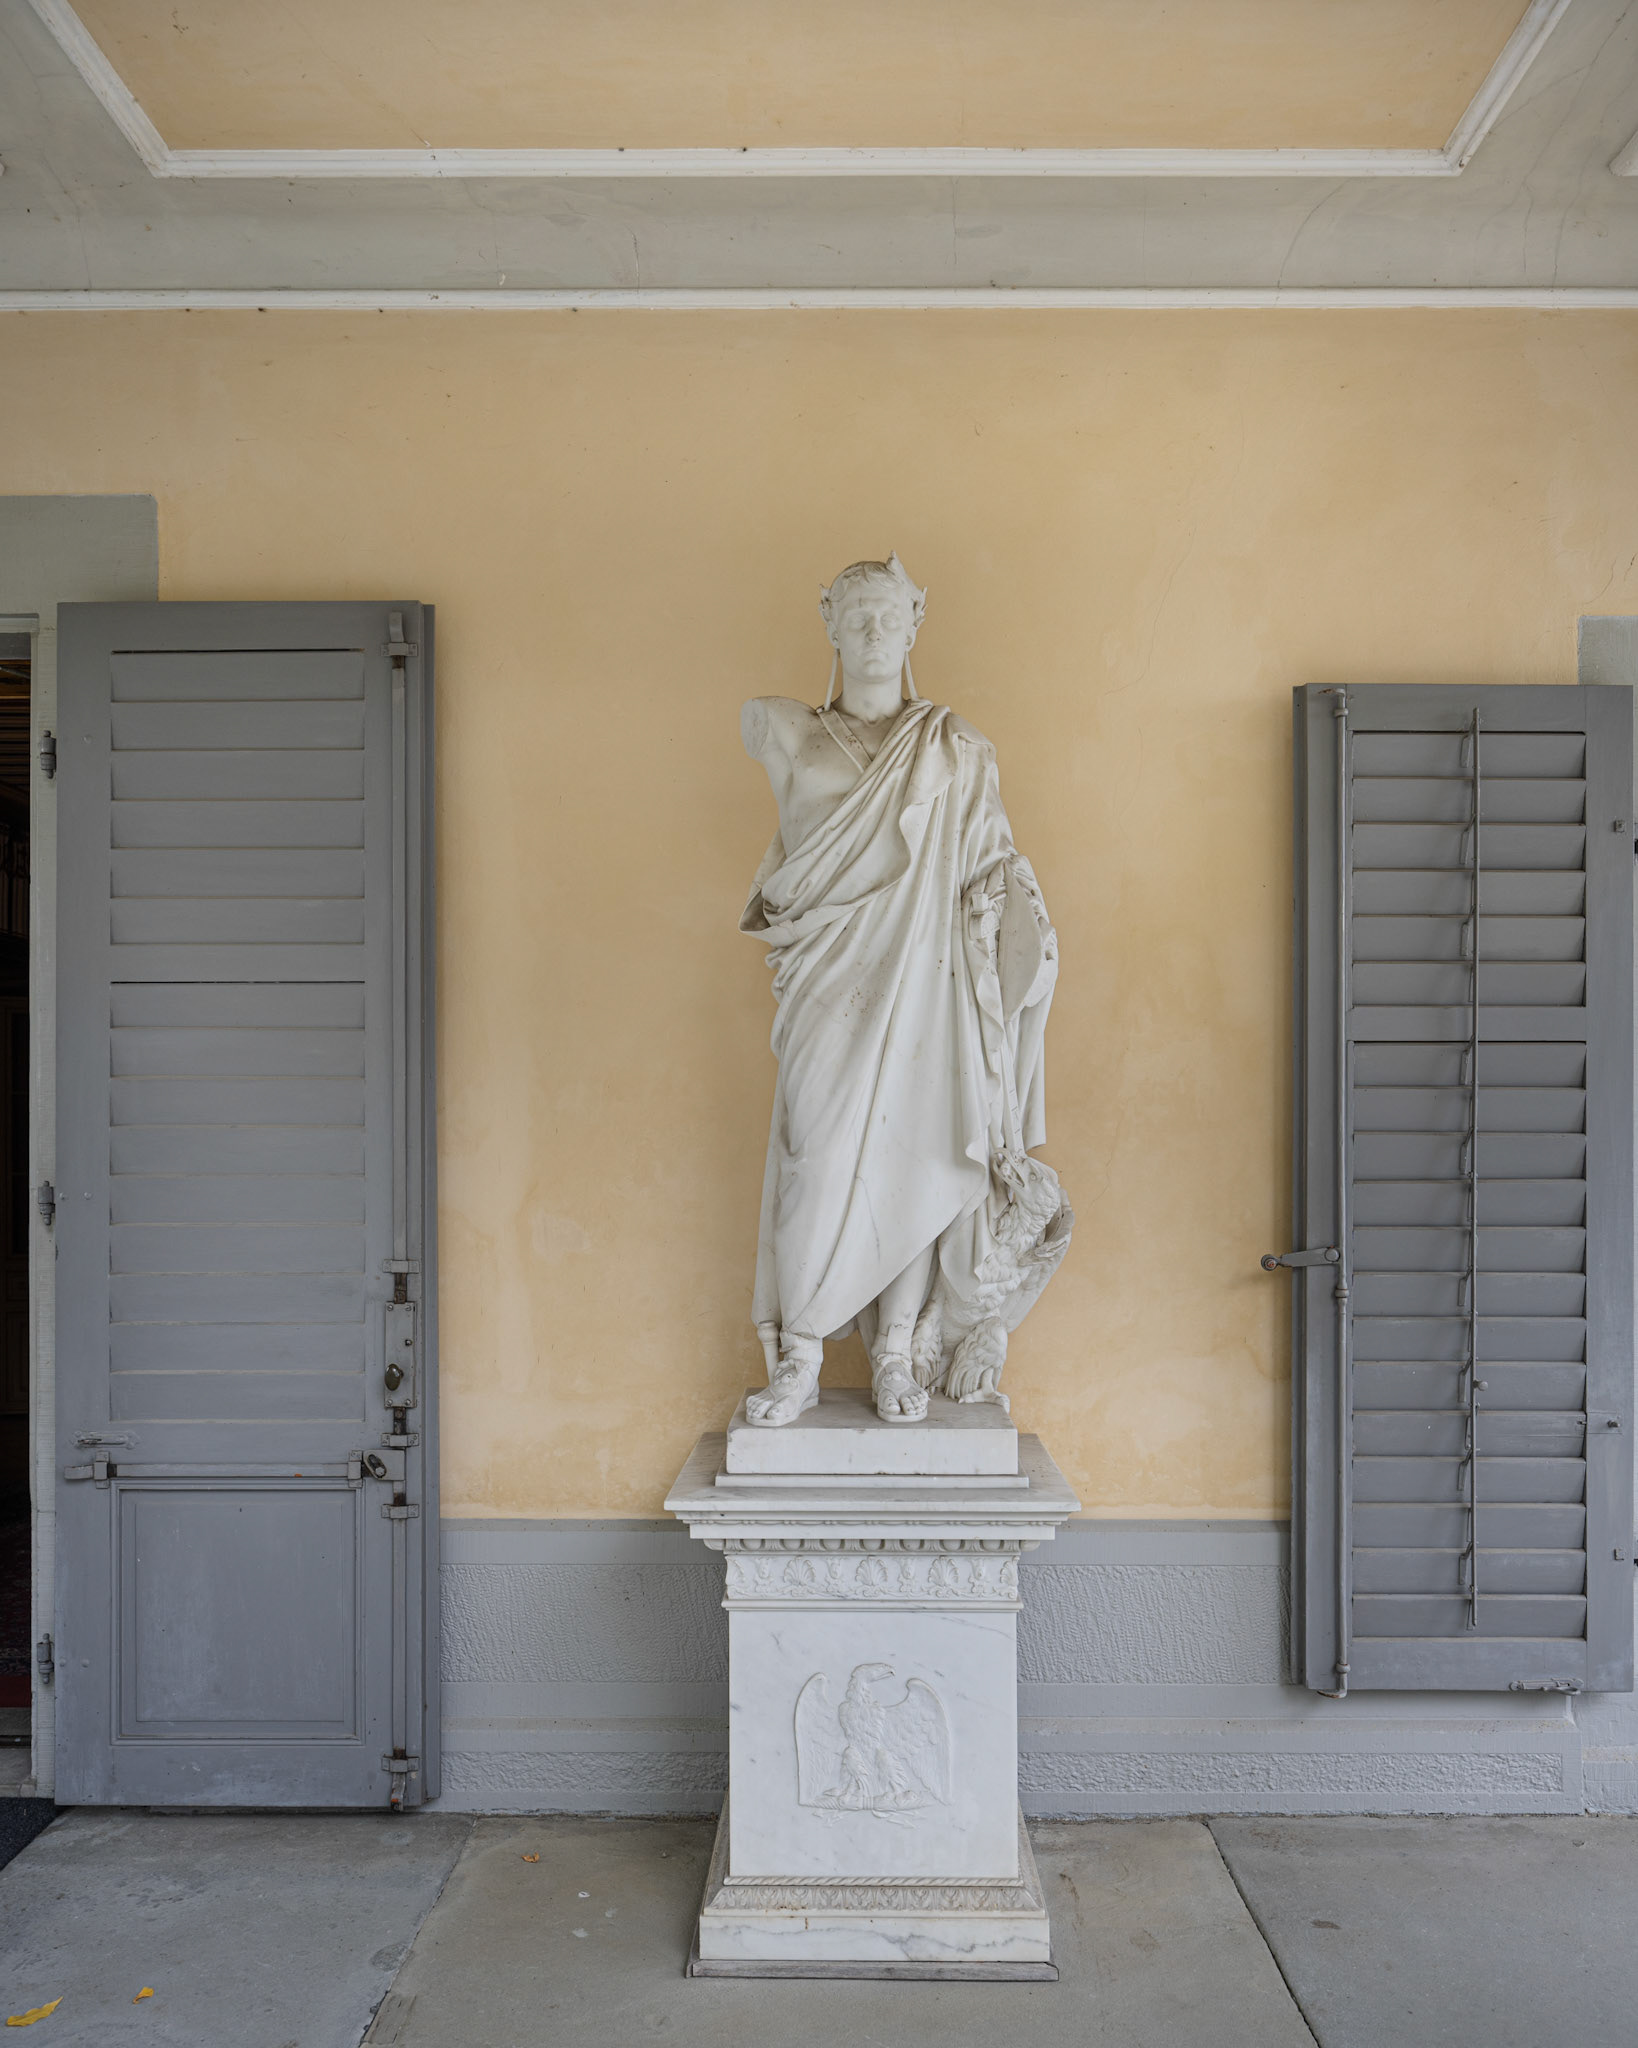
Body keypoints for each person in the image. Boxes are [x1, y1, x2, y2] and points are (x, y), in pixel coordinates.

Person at [739, 554, 1071, 1427]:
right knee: (814, 1159)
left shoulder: (957, 751)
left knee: (918, 1158)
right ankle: (802, 1358)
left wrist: (1027, 931)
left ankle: (894, 1354)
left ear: (917, 621)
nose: (874, 631)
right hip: (825, 989)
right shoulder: (785, 731)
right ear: (828, 620)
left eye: (890, 615)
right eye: (858, 615)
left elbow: (992, 868)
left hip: (928, 989)